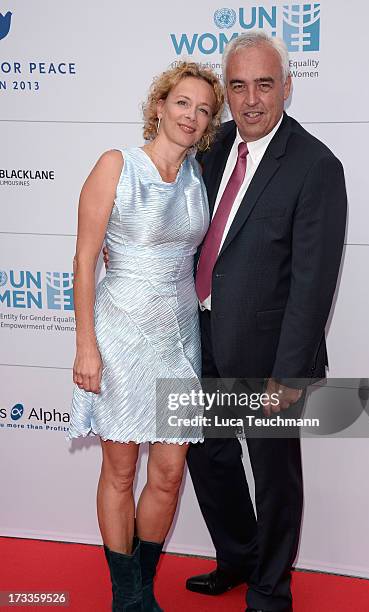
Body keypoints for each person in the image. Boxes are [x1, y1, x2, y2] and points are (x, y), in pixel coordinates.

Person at [185, 33, 347, 612]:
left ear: (287, 87)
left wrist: (287, 375)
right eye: (238, 86)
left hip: (270, 352)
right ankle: (238, 558)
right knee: (208, 456)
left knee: (275, 475)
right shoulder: (212, 143)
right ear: (225, 92)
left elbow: (313, 283)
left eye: (264, 84)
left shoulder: (316, 166)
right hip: (198, 337)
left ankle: (271, 589)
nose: (251, 99)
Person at [67, 62, 224, 611]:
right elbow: (85, 260)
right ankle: (127, 597)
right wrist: (86, 345)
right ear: (160, 105)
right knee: (121, 470)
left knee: (169, 471)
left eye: (204, 109)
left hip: (179, 336)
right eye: (183, 103)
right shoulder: (117, 165)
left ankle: (142, 588)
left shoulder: (198, 178)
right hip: (120, 333)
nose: (192, 115)